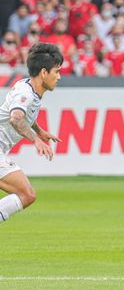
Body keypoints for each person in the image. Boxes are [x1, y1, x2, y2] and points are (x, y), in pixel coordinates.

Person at [0, 43, 62, 224]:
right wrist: (36, 140)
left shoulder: (29, 88)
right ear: (44, 72)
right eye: (56, 72)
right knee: (26, 194)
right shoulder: (25, 93)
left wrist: (40, 131)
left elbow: (24, 115)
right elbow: (16, 118)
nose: (58, 77)